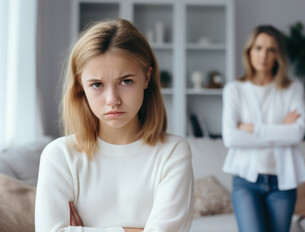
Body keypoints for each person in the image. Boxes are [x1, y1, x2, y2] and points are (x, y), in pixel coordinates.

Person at [35, 19, 194, 232]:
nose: (113, 100)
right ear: (81, 85)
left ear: (147, 77)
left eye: (126, 81)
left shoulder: (172, 152)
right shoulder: (59, 156)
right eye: (97, 84)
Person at [222, 25, 305, 232]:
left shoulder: (293, 88)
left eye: (271, 49)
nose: (264, 55)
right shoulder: (234, 89)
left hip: (283, 182)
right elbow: (231, 138)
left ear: (278, 54)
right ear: (249, 51)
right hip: (246, 182)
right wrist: (280, 130)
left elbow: (296, 133)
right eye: (259, 48)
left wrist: (251, 128)